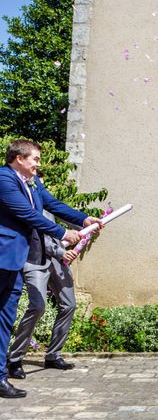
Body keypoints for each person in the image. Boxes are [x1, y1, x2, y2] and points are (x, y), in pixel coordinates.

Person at [0, 139, 101, 398]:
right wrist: (63, 233)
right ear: (19, 159)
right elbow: (26, 214)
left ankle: (0, 376)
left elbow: (52, 205)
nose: (38, 164)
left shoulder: (34, 183)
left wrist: (82, 219)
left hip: (14, 259)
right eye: (35, 159)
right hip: (4, 257)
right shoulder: (4, 179)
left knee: (5, 318)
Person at [8, 201, 80, 379]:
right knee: (38, 306)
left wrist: (87, 224)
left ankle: (53, 355)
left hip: (57, 259)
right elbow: (38, 236)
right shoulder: (22, 202)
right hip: (35, 260)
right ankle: (14, 359)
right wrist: (60, 251)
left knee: (69, 305)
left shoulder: (46, 201)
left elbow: (67, 219)